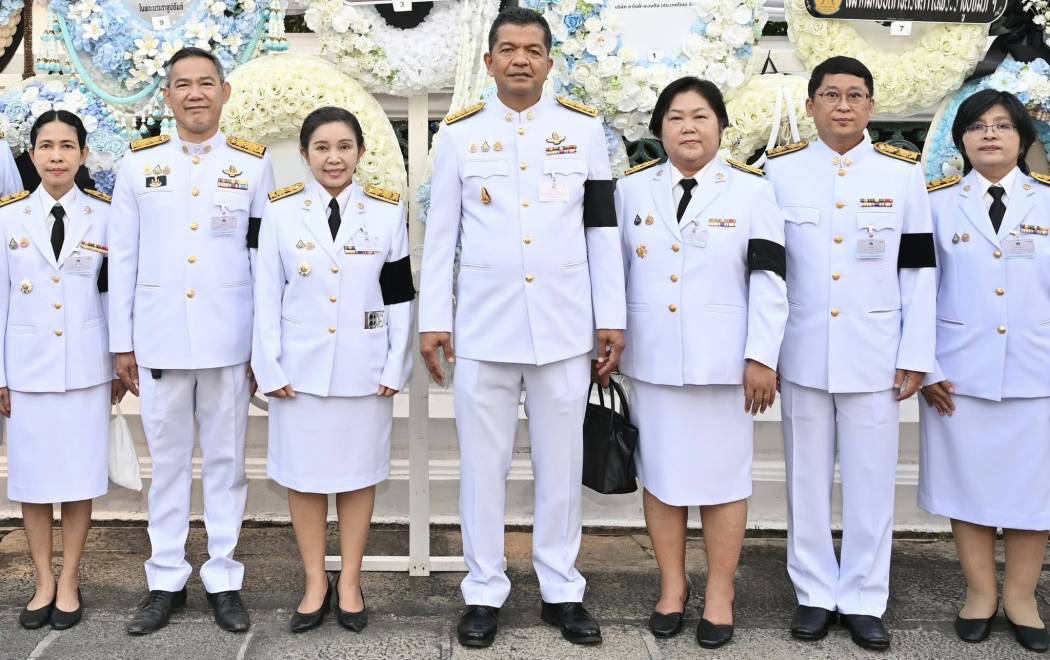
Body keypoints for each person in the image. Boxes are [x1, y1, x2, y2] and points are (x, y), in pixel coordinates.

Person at [418, 7, 625, 649]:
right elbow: (442, 234)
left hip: (564, 326)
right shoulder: (458, 135)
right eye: (508, 49)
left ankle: (561, 586)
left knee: (560, 466)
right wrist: (434, 319)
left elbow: (601, 229)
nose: (520, 60)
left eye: (533, 50)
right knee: (484, 465)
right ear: (488, 62)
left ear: (549, 61)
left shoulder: (585, 133)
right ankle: (483, 589)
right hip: (484, 326)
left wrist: (610, 317)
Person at [762, 56, 936, 651]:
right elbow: (766, 271)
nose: (843, 105)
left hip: (875, 353)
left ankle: (864, 597)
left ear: (871, 106)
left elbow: (918, 269)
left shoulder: (901, 174)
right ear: (810, 105)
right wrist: (763, 351)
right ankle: (813, 593)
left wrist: (917, 350)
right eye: (830, 95)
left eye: (856, 95)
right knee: (804, 481)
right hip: (803, 351)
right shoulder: (778, 172)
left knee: (870, 484)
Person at [108, 46, 275, 635]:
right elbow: (122, 260)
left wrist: (263, 345)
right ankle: (165, 579)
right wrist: (121, 343)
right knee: (169, 464)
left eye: (207, 83)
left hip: (229, 340)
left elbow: (263, 260)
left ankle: (225, 577)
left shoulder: (254, 167)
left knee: (228, 464)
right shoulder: (137, 166)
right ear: (169, 95)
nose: (196, 93)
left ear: (225, 93)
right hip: (158, 342)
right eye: (184, 84)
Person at [616, 77, 787, 648]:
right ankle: (671, 587)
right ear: (660, 128)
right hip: (654, 359)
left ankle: (720, 592)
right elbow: (612, 275)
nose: (688, 128)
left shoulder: (753, 192)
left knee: (723, 483)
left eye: (701, 117)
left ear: (721, 126)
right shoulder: (631, 190)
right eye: (675, 118)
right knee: (662, 480)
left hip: (725, 366)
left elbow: (770, 279)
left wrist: (762, 356)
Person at [252, 106, 414, 633]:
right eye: (321, 147)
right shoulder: (280, 213)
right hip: (299, 372)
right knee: (303, 479)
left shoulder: (387, 214)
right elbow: (265, 295)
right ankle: (314, 582)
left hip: (364, 370)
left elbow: (398, 296)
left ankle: (349, 582)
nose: (334, 157)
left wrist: (396, 360)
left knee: (358, 477)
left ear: (361, 154)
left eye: (344, 146)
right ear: (303, 155)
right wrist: (269, 365)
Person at [920, 88, 1050, 653]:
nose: (989, 135)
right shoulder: (935, 204)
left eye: (1002, 126)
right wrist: (925, 366)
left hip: (1037, 372)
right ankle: (979, 594)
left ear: (1023, 138)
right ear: (961, 140)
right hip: (959, 375)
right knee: (966, 486)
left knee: (1034, 493)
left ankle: (1022, 597)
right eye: (976, 126)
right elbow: (918, 293)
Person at [1, 110, 123, 631]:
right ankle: (41, 581)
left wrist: (121, 358)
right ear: (31, 155)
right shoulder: (7, 217)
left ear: (83, 154)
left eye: (67, 145)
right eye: (46, 146)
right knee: (31, 482)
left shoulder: (106, 214)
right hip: (26, 368)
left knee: (77, 479)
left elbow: (115, 292)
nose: (56, 155)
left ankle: (69, 579)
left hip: (86, 367)